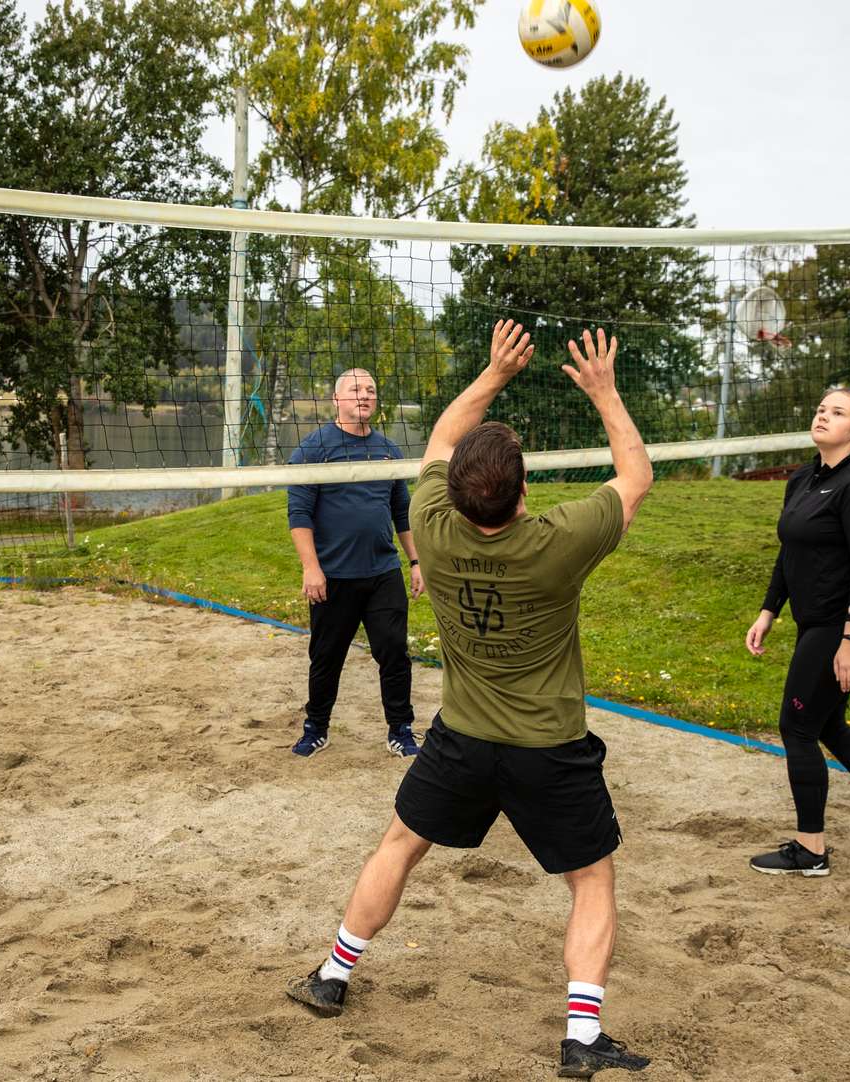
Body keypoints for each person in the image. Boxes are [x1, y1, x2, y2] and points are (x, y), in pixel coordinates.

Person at [286, 323, 654, 1079]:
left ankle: (331, 975)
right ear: (523, 491)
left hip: (460, 739)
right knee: (591, 879)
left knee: (399, 845)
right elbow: (636, 475)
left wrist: (492, 373)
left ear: (451, 491)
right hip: (549, 746)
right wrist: (604, 392)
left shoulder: (432, 524)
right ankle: (581, 1037)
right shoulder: (559, 540)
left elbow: (441, 439)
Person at [745, 387, 850, 878]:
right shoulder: (803, 478)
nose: (824, 415)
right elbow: (789, 552)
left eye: (837, 412)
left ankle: (811, 850)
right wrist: (768, 611)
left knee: (797, 727)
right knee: (828, 726)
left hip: (844, 625)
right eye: (821, 408)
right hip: (815, 623)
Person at [286, 367, 425, 758]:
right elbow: (299, 515)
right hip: (333, 577)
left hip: (383, 573)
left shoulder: (388, 450)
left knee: (394, 651)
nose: (363, 395)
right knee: (326, 657)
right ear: (336, 400)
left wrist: (416, 561)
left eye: (370, 389)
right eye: (354, 390)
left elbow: (402, 511)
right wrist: (311, 567)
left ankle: (401, 729)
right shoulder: (314, 449)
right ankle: (316, 727)